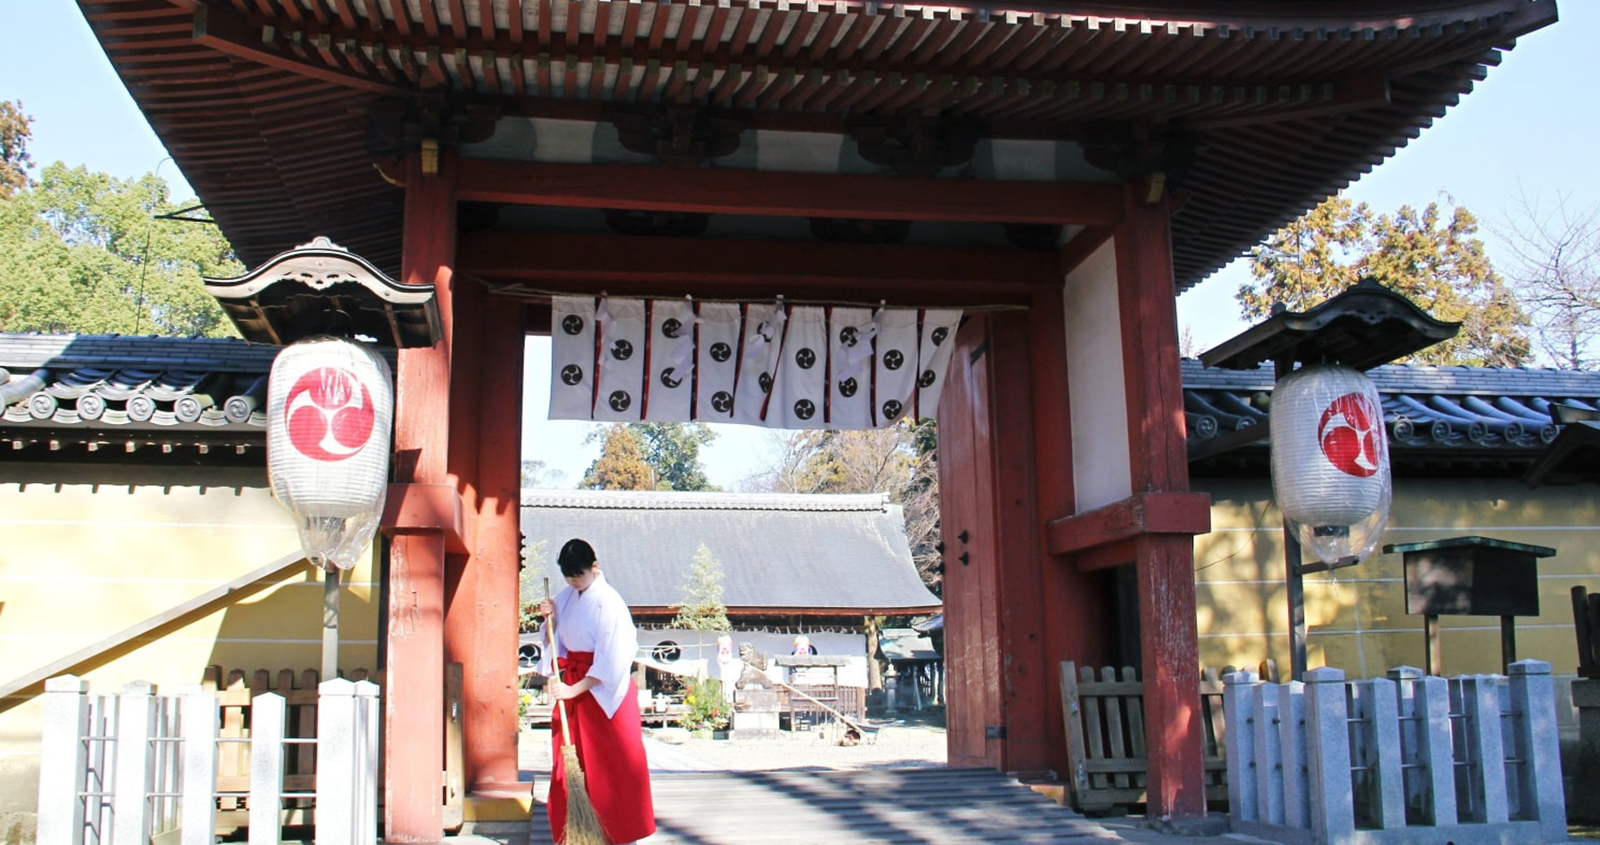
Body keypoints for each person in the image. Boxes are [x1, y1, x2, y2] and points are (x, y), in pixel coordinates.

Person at [536, 538, 656, 845]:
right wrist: (549, 614)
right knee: (573, 764)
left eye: (579, 574)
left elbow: (612, 658)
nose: (574, 581)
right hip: (574, 688)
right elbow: (556, 637)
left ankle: (618, 833)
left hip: (602, 693)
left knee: (612, 767)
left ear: (594, 566)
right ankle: (577, 831)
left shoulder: (610, 602)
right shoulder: (566, 597)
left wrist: (574, 689)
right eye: (568, 575)